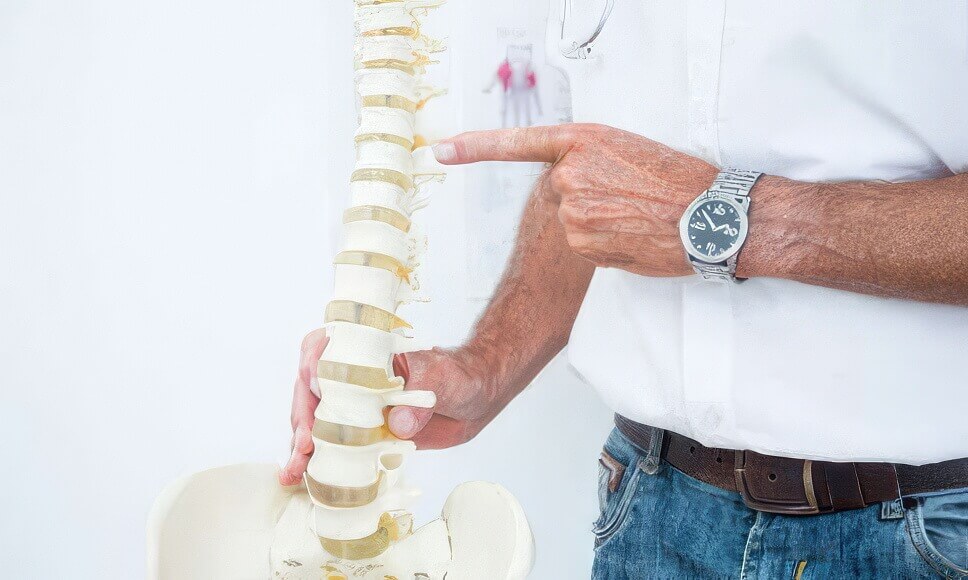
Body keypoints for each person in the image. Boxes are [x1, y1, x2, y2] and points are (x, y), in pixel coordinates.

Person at [284, 3, 968, 578]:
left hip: (919, 530)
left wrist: (728, 219)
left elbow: (661, 204)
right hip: (645, 507)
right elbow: (599, 178)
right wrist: (483, 365)